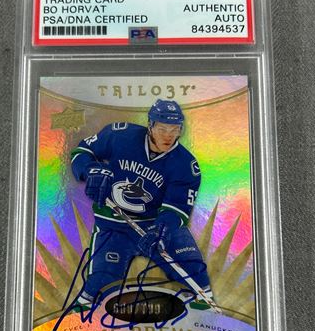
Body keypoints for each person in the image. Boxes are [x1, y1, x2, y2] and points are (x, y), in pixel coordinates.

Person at [70, 99, 214, 305]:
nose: (168, 136)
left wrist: (161, 231)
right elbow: (82, 151)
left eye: (174, 129)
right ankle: (84, 309)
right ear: (150, 125)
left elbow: (177, 209)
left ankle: (202, 310)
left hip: (154, 224)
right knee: (100, 282)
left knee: (195, 274)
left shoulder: (186, 165)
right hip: (114, 221)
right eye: (162, 129)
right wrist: (90, 169)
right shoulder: (120, 135)